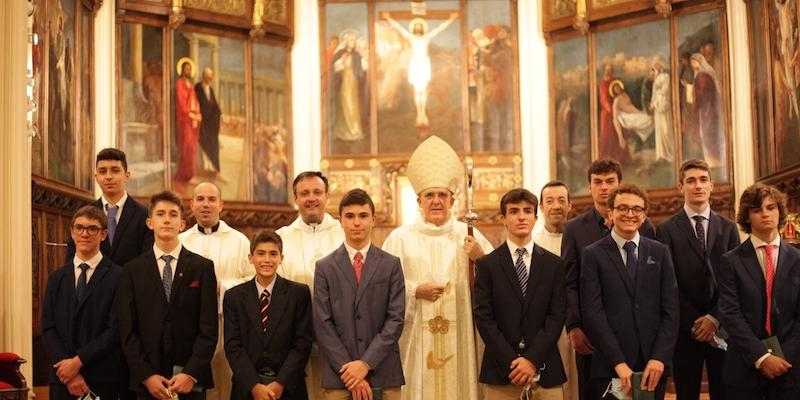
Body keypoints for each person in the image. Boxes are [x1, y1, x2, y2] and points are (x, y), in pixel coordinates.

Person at [382, 136, 494, 400]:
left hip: (461, 338)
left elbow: (499, 283)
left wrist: (480, 259)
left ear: (452, 200)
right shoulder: (399, 239)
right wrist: (414, 290)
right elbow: (381, 286)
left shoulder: (469, 236)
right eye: (429, 195)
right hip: (414, 340)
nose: (436, 201)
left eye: (442, 195)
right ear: (418, 201)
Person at [561, 158, 656, 400]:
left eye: (610, 181)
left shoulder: (645, 227)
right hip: (590, 333)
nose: (604, 187)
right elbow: (569, 281)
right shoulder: (574, 229)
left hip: (637, 332)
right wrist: (574, 325)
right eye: (598, 182)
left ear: (619, 184)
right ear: (589, 187)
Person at [580, 184, 679, 400]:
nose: (629, 214)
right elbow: (592, 313)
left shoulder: (660, 252)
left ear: (644, 216)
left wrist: (659, 358)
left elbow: (671, 310)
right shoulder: (593, 255)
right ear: (611, 213)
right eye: (623, 208)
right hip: (611, 365)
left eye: (636, 209)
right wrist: (618, 363)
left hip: (652, 366)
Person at [118, 191, 218, 399]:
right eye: (160, 214)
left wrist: (190, 373)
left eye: (173, 214)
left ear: (182, 224)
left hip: (190, 380)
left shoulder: (202, 268)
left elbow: (208, 329)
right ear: (150, 222)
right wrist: (146, 375)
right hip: (148, 380)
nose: (166, 219)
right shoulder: (132, 270)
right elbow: (128, 331)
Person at [656, 159, 740, 400]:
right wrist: (695, 321)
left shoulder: (729, 228)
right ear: (680, 187)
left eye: (703, 180)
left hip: (722, 325)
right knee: (686, 392)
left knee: (724, 391)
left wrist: (714, 318)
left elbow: (733, 281)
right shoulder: (665, 230)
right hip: (685, 329)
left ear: (711, 186)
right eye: (690, 181)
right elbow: (667, 283)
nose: (698, 185)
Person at [474, 188, 566, 400]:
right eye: (514, 211)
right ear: (503, 219)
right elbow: (484, 318)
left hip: (545, 368)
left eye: (527, 211)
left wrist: (531, 360)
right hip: (502, 372)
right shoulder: (487, 265)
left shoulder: (554, 264)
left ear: (535, 218)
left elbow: (556, 316)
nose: (521, 216)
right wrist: (512, 363)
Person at [314, 189, 406, 400]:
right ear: (340, 220)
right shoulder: (325, 267)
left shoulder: (391, 264)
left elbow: (395, 319)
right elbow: (322, 323)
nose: (357, 222)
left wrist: (366, 363)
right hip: (340, 375)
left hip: (383, 371)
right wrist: (350, 371)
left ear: (373, 219)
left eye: (363, 216)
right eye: (350, 216)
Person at [718, 183, 800, 399]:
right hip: (744, 367)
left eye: (771, 207)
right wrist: (762, 357)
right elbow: (730, 313)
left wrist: (781, 358)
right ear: (747, 217)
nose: (765, 214)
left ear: (780, 212)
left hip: (789, 368)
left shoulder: (798, 259)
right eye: (757, 210)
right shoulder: (731, 261)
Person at [180, 182, 254, 400]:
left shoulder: (239, 240)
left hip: (228, 325)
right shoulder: (181, 241)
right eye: (200, 199)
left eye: (211, 199)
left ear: (221, 205)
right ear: (191, 205)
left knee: (227, 380)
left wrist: (221, 287)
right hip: (191, 327)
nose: (206, 204)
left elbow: (253, 279)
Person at [43, 206, 123, 400]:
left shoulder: (119, 277)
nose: (84, 233)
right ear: (72, 232)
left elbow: (115, 330)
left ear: (103, 234)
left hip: (100, 377)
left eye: (92, 229)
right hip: (62, 378)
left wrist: (78, 362)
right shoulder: (56, 278)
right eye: (79, 228)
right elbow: (48, 327)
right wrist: (69, 370)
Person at [277, 171, 345, 400]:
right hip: (295, 336)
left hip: (340, 334)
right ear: (295, 198)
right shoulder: (281, 238)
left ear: (327, 196)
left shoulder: (345, 232)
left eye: (317, 192)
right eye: (304, 193)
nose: (311, 198)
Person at [224, 230, 312, 400]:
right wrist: (254, 386)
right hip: (247, 388)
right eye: (260, 254)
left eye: (273, 254)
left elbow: (302, 344)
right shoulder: (234, 296)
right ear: (250, 258)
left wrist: (280, 383)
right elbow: (233, 346)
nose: (266, 260)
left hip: (288, 388)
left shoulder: (299, 294)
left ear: (281, 258)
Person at [66, 148, 154, 267]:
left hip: (130, 284)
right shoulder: (83, 215)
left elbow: (147, 261)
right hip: (94, 284)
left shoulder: (144, 215)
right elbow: (73, 259)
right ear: (96, 177)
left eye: (115, 170)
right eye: (102, 171)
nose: (108, 177)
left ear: (127, 176)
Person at [531, 181, 577, 400]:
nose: (556, 206)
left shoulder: (581, 240)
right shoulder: (532, 245)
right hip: (546, 327)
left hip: (578, 324)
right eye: (549, 201)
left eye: (561, 200)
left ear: (570, 205)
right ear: (541, 208)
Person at [382, 12, 459, 128]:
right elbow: (399, 28)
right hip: (415, 64)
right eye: (416, 27)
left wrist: (451, 19)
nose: (418, 28)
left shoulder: (426, 37)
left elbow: (439, 28)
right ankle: (420, 114)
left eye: (420, 27)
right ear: (414, 29)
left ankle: (423, 113)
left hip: (423, 63)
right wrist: (389, 18)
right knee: (417, 90)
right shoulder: (411, 37)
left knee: (423, 90)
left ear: (422, 28)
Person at [331, 30, 368, 142]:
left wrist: (365, 61)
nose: (353, 42)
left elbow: (363, 67)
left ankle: (355, 131)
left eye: (354, 40)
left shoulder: (356, 55)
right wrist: (341, 61)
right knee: (345, 105)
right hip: (344, 83)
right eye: (351, 40)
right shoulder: (340, 54)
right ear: (346, 41)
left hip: (353, 83)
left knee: (353, 106)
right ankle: (344, 132)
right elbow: (335, 68)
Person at [690, 53, 725, 170]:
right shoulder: (699, 75)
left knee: (708, 131)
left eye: (693, 61)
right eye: (691, 62)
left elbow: (704, 90)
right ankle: (710, 159)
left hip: (708, 108)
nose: (692, 64)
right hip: (704, 109)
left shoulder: (703, 75)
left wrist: (695, 95)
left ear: (699, 62)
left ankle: (714, 160)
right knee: (704, 132)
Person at [194, 67, 225, 183]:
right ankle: (208, 172)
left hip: (211, 123)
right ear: (204, 76)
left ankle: (216, 171)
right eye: (207, 76)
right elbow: (196, 103)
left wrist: (219, 114)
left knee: (214, 145)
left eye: (210, 76)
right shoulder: (197, 87)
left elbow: (215, 105)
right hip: (202, 123)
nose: (209, 78)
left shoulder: (210, 89)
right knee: (205, 143)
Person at [175, 58, 202, 184]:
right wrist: (190, 114)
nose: (188, 71)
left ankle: (189, 174)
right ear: (182, 70)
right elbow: (181, 103)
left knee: (192, 148)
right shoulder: (180, 84)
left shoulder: (190, 85)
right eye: (186, 69)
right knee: (186, 147)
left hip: (192, 121)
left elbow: (194, 102)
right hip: (185, 120)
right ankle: (187, 175)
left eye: (190, 69)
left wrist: (197, 114)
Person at [598, 64, 631, 165]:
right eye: (607, 69)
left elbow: (619, 95)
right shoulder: (603, 83)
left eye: (610, 70)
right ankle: (607, 161)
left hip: (616, 112)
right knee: (608, 136)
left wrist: (618, 109)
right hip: (607, 115)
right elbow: (604, 100)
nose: (608, 72)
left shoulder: (614, 82)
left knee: (618, 135)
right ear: (604, 71)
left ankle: (621, 160)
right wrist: (612, 111)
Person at [649, 61, 674, 163]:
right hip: (657, 106)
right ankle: (662, 155)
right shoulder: (656, 79)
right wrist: (652, 103)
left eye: (658, 65)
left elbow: (665, 90)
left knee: (666, 130)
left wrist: (658, 93)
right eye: (655, 66)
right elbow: (654, 92)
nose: (656, 67)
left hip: (664, 105)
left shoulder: (666, 76)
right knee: (659, 131)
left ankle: (671, 154)